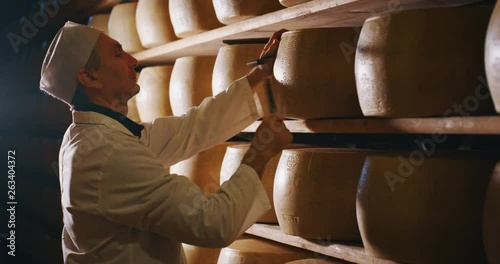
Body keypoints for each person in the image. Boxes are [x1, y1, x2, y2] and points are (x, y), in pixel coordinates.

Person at [39, 21, 292, 263]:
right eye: (118, 55)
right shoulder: (109, 154)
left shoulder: (92, 136)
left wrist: (258, 75)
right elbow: (213, 223)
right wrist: (259, 152)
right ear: (90, 78)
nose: (133, 61)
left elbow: (190, 129)